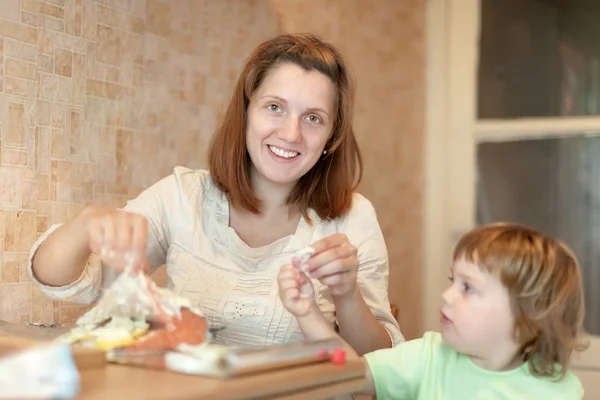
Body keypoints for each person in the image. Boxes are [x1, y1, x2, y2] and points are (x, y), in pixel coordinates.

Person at [28, 33, 403, 353]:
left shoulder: (353, 217)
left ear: (331, 137)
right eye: (274, 107)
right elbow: (59, 281)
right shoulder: (181, 196)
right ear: (247, 112)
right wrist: (87, 223)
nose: (291, 134)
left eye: (313, 118)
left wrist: (347, 293)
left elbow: (380, 365)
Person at [278, 223, 587, 399]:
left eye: (468, 287)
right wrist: (307, 313)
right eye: (453, 281)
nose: (447, 295)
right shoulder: (428, 357)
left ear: (524, 319)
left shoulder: (559, 392)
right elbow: (348, 375)